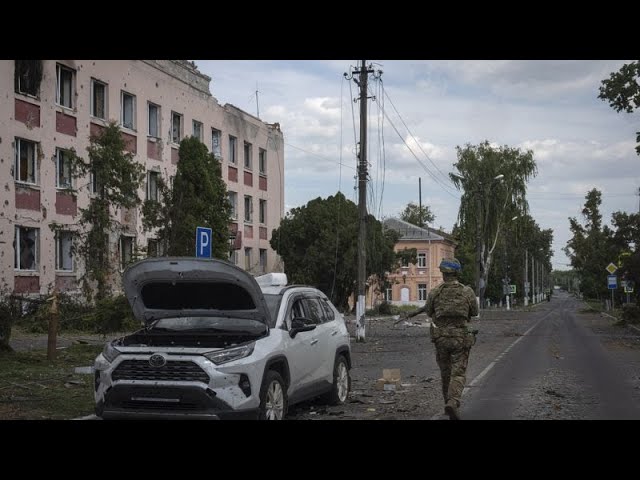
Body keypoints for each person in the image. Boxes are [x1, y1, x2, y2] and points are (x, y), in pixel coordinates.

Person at [405, 258, 478, 420]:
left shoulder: (434, 292)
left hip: (441, 338)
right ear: (457, 272)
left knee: (445, 372)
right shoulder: (467, 292)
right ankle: (453, 401)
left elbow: (430, 312)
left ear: (443, 273)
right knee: (458, 372)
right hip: (460, 337)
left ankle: (447, 403)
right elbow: (474, 312)